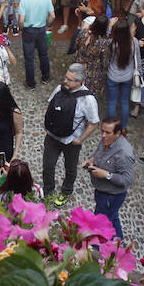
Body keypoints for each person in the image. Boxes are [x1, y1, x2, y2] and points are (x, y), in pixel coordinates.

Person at [43, 63, 100, 206]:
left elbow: (94, 123)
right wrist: (48, 125)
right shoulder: (60, 89)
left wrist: (80, 140)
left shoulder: (88, 100)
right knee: (48, 166)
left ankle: (66, 191)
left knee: (70, 168)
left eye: (69, 79)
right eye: (66, 77)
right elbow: (50, 105)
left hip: (71, 141)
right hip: (52, 137)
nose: (65, 81)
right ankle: (48, 191)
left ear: (79, 82)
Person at [83, 117, 135, 240]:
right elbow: (98, 153)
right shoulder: (107, 141)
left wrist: (106, 174)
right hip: (102, 192)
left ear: (118, 133)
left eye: (107, 132)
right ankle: (118, 241)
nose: (103, 135)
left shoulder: (124, 154)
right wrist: (91, 160)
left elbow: (127, 180)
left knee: (100, 223)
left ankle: (96, 247)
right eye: (102, 131)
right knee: (112, 216)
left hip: (111, 196)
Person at [17, 0, 54, 90]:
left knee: (29, 57)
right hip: (41, 29)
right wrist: (47, 24)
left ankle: (31, 83)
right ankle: (45, 77)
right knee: (43, 55)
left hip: (29, 30)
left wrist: (21, 27)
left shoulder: (24, 0)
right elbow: (52, 15)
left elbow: (21, 20)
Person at [106, 18, 140, 131]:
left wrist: (109, 27)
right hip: (128, 76)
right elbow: (138, 61)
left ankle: (111, 127)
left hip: (113, 76)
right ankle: (124, 127)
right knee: (124, 102)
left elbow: (108, 58)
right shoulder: (134, 42)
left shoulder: (112, 43)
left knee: (112, 101)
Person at [74, 13, 110, 99]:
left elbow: (77, 45)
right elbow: (104, 60)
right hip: (92, 72)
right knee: (89, 96)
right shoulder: (103, 42)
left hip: (79, 66)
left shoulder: (83, 33)